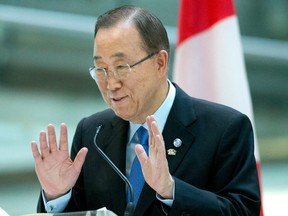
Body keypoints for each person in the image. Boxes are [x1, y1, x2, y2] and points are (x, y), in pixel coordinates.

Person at [31, 5, 261, 216]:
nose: (111, 84)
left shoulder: (225, 128)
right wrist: (57, 195)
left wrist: (171, 190)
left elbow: (243, 211)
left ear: (160, 63)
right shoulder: (92, 132)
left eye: (121, 67)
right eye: (101, 69)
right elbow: (81, 211)